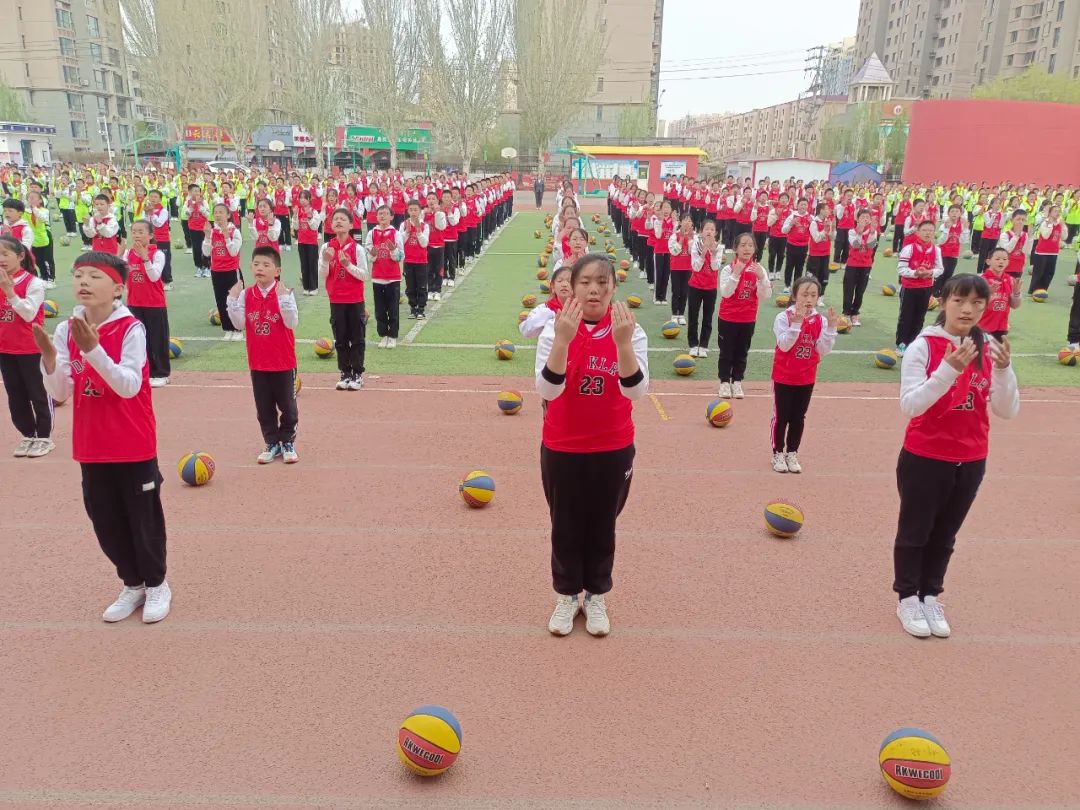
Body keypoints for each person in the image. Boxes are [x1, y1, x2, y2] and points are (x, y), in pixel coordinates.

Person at [34, 250, 171, 623]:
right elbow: (61, 391)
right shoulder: (66, 330)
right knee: (106, 521)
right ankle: (133, 584)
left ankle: (157, 584)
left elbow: (127, 386)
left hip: (132, 441)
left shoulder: (131, 329)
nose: (83, 282)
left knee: (143, 520)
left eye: (94, 276)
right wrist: (48, 361)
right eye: (79, 275)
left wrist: (93, 350)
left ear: (117, 288)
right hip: (91, 444)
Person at [893, 274, 1019, 638]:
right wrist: (949, 370)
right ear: (943, 301)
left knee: (946, 533)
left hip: (972, 457)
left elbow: (1007, 410)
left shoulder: (990, 347)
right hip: (925, 455)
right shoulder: (924, 347)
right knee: (915, 531)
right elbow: (910, 405)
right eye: (960, 300)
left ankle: (931, 595)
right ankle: (907, 598)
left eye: (978, 303)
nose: (968, 309)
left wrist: (1005, 370)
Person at [535, 254, 649, 637]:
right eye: (585, 282)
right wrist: (564, 341)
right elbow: (547, 389)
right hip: (563, 445)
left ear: (614, 289)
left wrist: (624, 346)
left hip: (613, 446)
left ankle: (596, 594)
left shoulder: (629, 330)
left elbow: (637, 391)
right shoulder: (556, 330)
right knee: (564, 525)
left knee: (603, 524)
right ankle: (567, 595)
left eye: (602, 282)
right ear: (573, 287)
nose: (594, 289)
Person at [226, 247, 299, 464]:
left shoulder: (284, 292)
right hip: (258, 362)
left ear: (277, 271)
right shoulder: (247, 294)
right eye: (256, 264)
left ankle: (287, 441)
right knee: (263, 406)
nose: (260, 268)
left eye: (266, 265)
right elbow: (239, 324)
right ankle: (271, 442)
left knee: (287, 405)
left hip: (283, 361)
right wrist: (232, 299)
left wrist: (284, 300)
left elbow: (291, 322)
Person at [770, 275, 838, 474]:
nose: (809, 299)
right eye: (804, 294)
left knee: (798, 417)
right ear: (794, 295)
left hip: (806, 377)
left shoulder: (821, 320)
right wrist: (796, 325)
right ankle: (777, 452)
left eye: (813, 295)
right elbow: (784, 345)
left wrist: (831, 329)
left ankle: (792, 452)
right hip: (784, 375)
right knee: (781, 416)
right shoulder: (784, 317)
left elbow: (823, 350)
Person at [0, 235, 52, 458]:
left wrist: (9, 292)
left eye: (5, 254)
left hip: (30, 348)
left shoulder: (33, 283)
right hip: (5, 348)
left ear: (20, 256)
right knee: (15, 394)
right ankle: (28, 434)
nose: (1, 259)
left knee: (37, 393)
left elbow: (29, 313)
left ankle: (44, 436)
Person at [716, 232, 770, 399]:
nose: (747, 248)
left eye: (750, 245)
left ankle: (737, 381)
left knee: (742, 351)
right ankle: (724, 382)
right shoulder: (728, 269)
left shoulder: (759, 270)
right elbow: (725, 293)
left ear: (755, 248)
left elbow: (765, 295)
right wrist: (735, 275)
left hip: (748, 319)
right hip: (728, 318)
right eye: (743, 245)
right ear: (736, 249)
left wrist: (762, 279)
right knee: (726, 351)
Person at [320, 207, 369, 390]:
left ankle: (357, 374)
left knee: (357, 338)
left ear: (351, 224)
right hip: (336, 299)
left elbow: (364, 275)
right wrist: (325, 261)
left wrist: (347, 265)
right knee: (340, 338)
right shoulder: (326, 247)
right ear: (331, 225)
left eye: (342, 219)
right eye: (335, 219)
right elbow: (322, 274)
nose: (338, 221)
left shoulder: (357, 248)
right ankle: (345, 372)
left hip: (354, 299)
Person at [123, 220, 170, 387]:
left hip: (154, 304)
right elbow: (119, 275)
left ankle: (162, 373)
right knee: (140, 340)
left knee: (158, 339)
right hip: (134, 303)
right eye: (134, 231)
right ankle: (146, 372)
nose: (136, 235)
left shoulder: (157, 254)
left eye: (141, 231)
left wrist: (144, 258)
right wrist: (117, 256)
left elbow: (154, 276)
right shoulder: (128, 253)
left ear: (150, 235)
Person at [895, 220, 943, 355]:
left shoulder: (936, 250)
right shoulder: (909, 248)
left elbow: (940, 269)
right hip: (909, 287)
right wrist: (915, 273)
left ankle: (913, 343)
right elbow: (901, 269)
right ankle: (901, 344)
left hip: (926, 287)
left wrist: (930, 273)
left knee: (920, 317)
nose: (928, 233)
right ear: (918, 232)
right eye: (925, 230)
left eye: (931, 230)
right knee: (906, 316)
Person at [202, 203, 244, 341]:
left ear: (228, 215)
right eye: (216, 213)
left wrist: (226, 237)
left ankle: (238, 329)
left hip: (232, 271)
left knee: (234, 300)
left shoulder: (234, 231)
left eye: (221, 212)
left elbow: (233, 252)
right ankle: (227, 328)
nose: (218, 215)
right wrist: (207, 237)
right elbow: (206, 252)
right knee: (221, 301)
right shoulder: (212, 231)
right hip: (216, 271)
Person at [365, 205, 404, 349]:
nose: (383, 216)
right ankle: (383, 335)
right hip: (377, 277)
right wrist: (373, 254)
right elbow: (368, 254)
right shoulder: (372, 233)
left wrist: (394, 251)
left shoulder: (396, 233)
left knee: (393, 308)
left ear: (391, 217)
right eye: (380, 214)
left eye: (386, 214)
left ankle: (392, 336)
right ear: (376, 217)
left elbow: (401, 256)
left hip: (393, 277)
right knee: (380, 309)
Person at [687, 220, 722, 359]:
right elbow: (695, 267)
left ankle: (703, 345)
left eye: (712, 229)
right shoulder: (695, 245)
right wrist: (703, 253)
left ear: (716, 233)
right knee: (693, 316)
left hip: (710, 287)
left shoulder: (719, 247)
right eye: (706, 229)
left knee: (707, 317)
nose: (709, 232)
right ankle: (693, 344)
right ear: (701, 232)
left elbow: (715, 267)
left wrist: (713, 253)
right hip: (695, 285)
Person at [841, 208, 877, 327]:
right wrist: (860, 233)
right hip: (852, 264)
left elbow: (871, 246)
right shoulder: (852, 231)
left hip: (865, 265)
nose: (865, 219)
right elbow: (855, 245)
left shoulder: (873, 231)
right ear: (857, 219)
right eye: (862, 217)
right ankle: (846, 313)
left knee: (860, 291)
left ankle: (855, 313)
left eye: (867, 217)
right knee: (848, 289)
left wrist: (872, 234)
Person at [978, 247, 1021, 342]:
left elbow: (1014, 305)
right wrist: (987, 294)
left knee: (995, 356)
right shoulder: (981, 280)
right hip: (980, 327)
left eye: (1004, 259)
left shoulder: (1010, 280)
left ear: (1008, 262)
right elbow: (974, 306)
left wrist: (1016, 294)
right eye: (997, 259)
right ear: (988, 261)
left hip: (1001, 328)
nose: (1001, 262)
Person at [520, 264, 572, 339]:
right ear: (553, 287)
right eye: (560, 281)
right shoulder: (543, 309)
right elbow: (526, 331)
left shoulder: (582, 310)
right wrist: (546, 314)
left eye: (569, 281)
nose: (564, 284)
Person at [399, 200, 431, 319]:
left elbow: (424, 244)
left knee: (422, 285)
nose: (413, 212)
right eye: (411, 210)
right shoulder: (403, 225)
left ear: (419, 211)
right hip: (408, 261)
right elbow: (400, 242)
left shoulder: (425, 225)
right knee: (410, 286)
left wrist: (418, 232)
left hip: (421, 261)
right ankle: (413, 308)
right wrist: (407, 232)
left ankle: (421, 308)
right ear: (408, 211)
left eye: (415, 210)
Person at [934, 204, 968, 297]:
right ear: (948, 213)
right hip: (943, 253)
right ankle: (934, 292)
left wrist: (965, 228)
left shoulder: (961, 225)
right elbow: (940, 241)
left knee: (949, 273)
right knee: (941, 273)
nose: (954, 213)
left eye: (957, 211)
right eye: (952, 211)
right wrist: (947, 229)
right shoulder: (944, 225)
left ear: (960, 213)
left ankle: (944, 293)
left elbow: (963, 241)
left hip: (954, 254)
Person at [1030, 204, 1065, 294]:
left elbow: (1064, 237)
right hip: (1042, 252)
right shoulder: (1045, 223)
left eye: (1059, 211)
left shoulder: (1060, 224)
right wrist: (1050, 225)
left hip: (1053, 253)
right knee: (1039, 273)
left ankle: (1043, 290)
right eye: (1055, 211)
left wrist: (1063, 226)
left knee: (1049, 273)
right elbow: (1045, 236)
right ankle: (1033, 290)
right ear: (1050, 213)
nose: (1057, 213)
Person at [667, 215, 694, 325]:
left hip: (688, 268)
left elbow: (692, 252)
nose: (687, 222)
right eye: (685, 220)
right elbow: (674, 251)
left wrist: (691, 240)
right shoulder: (674, 236)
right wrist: (682, 239)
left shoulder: (694, 237)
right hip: (676, 268)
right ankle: (674, 314)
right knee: (676, 291)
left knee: (684, 292)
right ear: (681, 222)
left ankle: (681, 314)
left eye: (689, 220)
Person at [781, 198, 811, 292]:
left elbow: (815, 232)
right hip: (792, 245)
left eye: (805, 204)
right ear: (797, 206)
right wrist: (791, 224)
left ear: (808, 206)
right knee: (789, 266)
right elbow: (783, 230)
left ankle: (796, 286)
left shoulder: (810, 217)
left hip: (803, 246)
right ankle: (787, 285)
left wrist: (811, 223)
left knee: (800, 267)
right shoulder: (792, 216)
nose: (803, 206)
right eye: (801, 204)